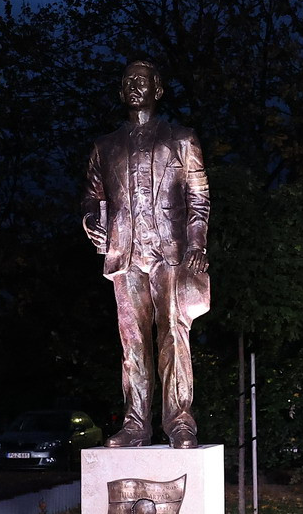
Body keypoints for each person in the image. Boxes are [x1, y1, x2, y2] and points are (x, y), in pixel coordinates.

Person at [81, 59, 211, 449]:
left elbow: (199, 197)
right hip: (125, 252)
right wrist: (90, 218)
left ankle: (180, 421)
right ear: (121, 91)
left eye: (142, 80)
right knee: (132, 342)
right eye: (127, 81)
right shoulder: (104, 147)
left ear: (158, 89)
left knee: (173, 334)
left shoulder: (182, 139)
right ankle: (136, 423)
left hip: (171, 251)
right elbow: (92, 195)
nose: (134, 85)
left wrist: (198, 244)